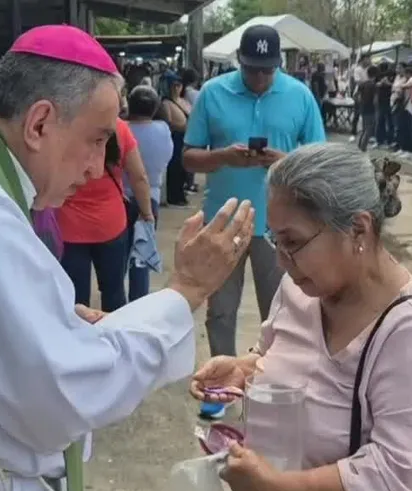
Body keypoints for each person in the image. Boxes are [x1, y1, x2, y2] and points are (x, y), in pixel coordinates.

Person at [0, 25, 256, 491]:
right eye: (97, 140)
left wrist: (58, 323)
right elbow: (62, 395)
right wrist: (187, 291)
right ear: (38, 124)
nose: (98, 168)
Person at [191, 143, 412, 491]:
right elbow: (277, 355)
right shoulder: (299, 288)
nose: (282, 261)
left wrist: (278, 487)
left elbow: (403, 474)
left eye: (293, 242)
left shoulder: (410, 331)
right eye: (275, 241)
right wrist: (246, 369)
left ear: (358, 229)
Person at [183, 24, 325, 420]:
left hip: (280, 227)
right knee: (221, 309)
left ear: (278, 63)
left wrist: (285, 162)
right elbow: (189, 156)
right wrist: (223, 156)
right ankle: (218, 385)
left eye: (267, 69)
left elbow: (319, 161)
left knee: (280, 311)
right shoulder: (214, 93)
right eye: (252, 69)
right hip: (223, 221)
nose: (259, 77)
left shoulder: (300, 96)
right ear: (239, 63)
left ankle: (275, 383)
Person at [57, 116, 154, 312]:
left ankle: (79, 340)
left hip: (68, 227)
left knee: (75, 299)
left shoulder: (65, 122)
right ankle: (114, 339)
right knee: (114, 291)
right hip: (111, 225)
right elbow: (139, 176)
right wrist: (147, 213)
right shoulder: (118, 127)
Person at [125, 85, 174, 300]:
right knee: (141, 255)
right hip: (150, 199)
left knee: (117, 255)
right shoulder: (163, 129)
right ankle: (139, 300)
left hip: (121, 196)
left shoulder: (120, 129)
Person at [159, 71, 192, 207]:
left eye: (179, 85)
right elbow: (168, 122)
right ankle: (174, 196)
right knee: (175, 167)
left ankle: (181, 192)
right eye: (174, 86)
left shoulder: (183, 101)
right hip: (175, 137)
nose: (177, 88)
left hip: (186, 137)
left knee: (184, 167)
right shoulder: (166, 103)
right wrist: (182, 126)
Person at [356, 66, 378, 152]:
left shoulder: (362, 84)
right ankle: (363, 148)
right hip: (371, 109)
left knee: (364, 128)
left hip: (363, 107)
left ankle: (359, 145)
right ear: (375, 75)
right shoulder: (374, 86)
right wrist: (376, 109)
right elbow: (375, 100)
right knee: (368, 129)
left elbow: (357, 96)